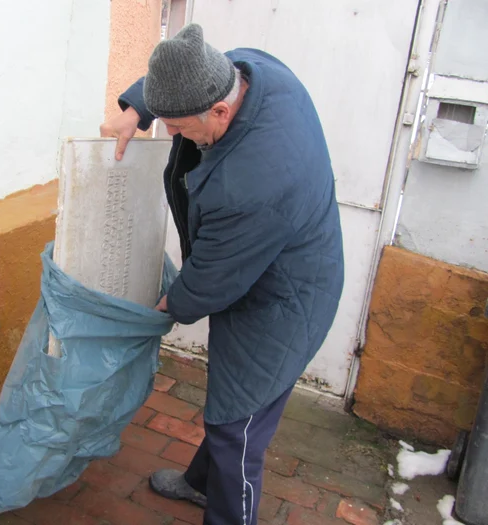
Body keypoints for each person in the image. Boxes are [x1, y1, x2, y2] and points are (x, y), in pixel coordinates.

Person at [100, 23, 344, 525]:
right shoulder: (246, 70)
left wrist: (161, 310)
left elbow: (209, 281)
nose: (173, 135)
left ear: (220, 110)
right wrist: (134, 111)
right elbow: (178, 73)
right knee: (229, 397)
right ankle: (199, 484)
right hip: (264, 262)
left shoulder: (253, 182)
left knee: (239, 423)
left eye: (181, 127)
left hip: (285, 299)